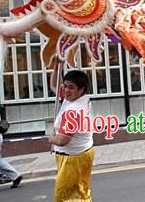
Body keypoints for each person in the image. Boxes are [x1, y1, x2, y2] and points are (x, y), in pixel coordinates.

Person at [49, 69, 94, 201]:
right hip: (81, 154)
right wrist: (57, 66)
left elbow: (63, 140)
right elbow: (54, 86)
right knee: (80, 193)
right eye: (65, 86)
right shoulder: (77, 99)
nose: (66, 90)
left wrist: (51, 139)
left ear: (81, 90)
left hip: (73, 159)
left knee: (64, 196)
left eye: (71, 87)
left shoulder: (74, 110)